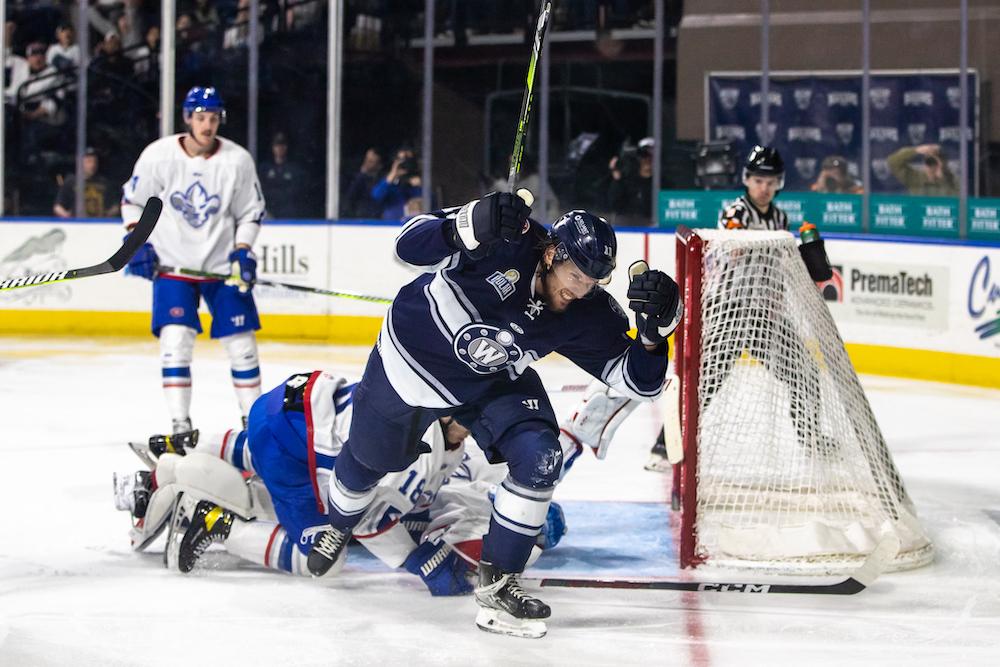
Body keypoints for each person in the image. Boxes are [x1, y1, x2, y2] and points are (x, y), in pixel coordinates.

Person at [312, 194, 682, 638]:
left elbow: (639, 383)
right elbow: (407, 245)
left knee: (541, 456)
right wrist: (467, 224)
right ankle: (338, 527)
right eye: (575, 276)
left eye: (592, 281)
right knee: (366, 462)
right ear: (552, 252)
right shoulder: (507, 236)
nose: (581, 289)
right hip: (410, 363)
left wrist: (655, 335)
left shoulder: (586, 308)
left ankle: (499, 586)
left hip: (489, 379)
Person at [113, 368, 589, 595]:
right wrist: (419, 561)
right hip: (285, 436)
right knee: (320, 559)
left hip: (299, 401)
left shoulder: (435, 403)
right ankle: (213, 521)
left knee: (317, 461)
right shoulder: (417, 453)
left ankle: (192, 444)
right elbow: (365, 519)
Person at [646, 145, 832, 469]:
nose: (764, 188)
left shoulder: (779, 218)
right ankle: (664, 446)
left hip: (764, 316)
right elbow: (731, 245)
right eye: (759, 180)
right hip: (729, 311)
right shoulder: (736, 212)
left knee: (804, 372)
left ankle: (810, 437)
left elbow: (777, 264)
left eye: (771, 182)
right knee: (704, 382)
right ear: (747, 180)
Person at [121, 86, 266, 435]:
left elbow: (250, 211)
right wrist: (137, 241)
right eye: (201, 117)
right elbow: (133, 202)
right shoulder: (158, 156)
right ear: (187, 118)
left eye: (213, 118)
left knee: (242, 345)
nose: (207, 125)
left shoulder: (237, 160)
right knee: (175, 343)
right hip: (173, 267)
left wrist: (243, 249)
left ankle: (255, 424)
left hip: (221, 269)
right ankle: (180, 425)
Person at [53, 147, 119, 218]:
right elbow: (58, 207)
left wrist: (106, 217)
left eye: (95, 161)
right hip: (78, 222)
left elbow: (115, 207)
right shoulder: (71, 182)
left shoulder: (104, 183)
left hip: (99, 223)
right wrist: (68, 218)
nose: (92, 165)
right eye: (89, 161)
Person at [606, 136, 654, 225]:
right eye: (644, 155)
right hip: (626, 223)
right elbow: (614, 204)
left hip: (651, 224)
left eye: (652, 156)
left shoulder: (662, 183)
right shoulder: (627, 180)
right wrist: (617, 178)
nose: (648, 159)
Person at [258, 131, 307, 218]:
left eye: (282, 145)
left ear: (286, 147)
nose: (280, 148)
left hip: (289, 213)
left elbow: (296, 191)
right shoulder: (265, 169)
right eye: (277, 145)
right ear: (273, 147)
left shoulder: (294, 169)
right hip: (269, 211)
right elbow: (261, 190)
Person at [887, 143, 959, 196]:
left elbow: (958, 204)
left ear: (944, 164)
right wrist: (916, 150)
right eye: (929, 161)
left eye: (935, 162)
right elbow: (892, 162)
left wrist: (942, 179)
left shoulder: (953, 181)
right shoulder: (915, 177)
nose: (932, 166)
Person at [371, 147, 422, 221]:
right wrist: (393, 174)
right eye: (400, 160)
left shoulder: (416, 183)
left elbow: (428, 204)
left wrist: (420, 186)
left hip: (412, 223)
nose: (404, 163)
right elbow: (376, 196)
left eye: (407, 160)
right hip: (391, 224)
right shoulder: (388, 183)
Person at [342, 147, 384, 218]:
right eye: (366, 159)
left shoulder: (383, 180)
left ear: (379, 165)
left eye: (371, 161)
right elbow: (349, 197)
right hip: (360, 218)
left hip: (379, 219)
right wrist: (361, 175)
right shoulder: (355, 178)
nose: (366, 163)